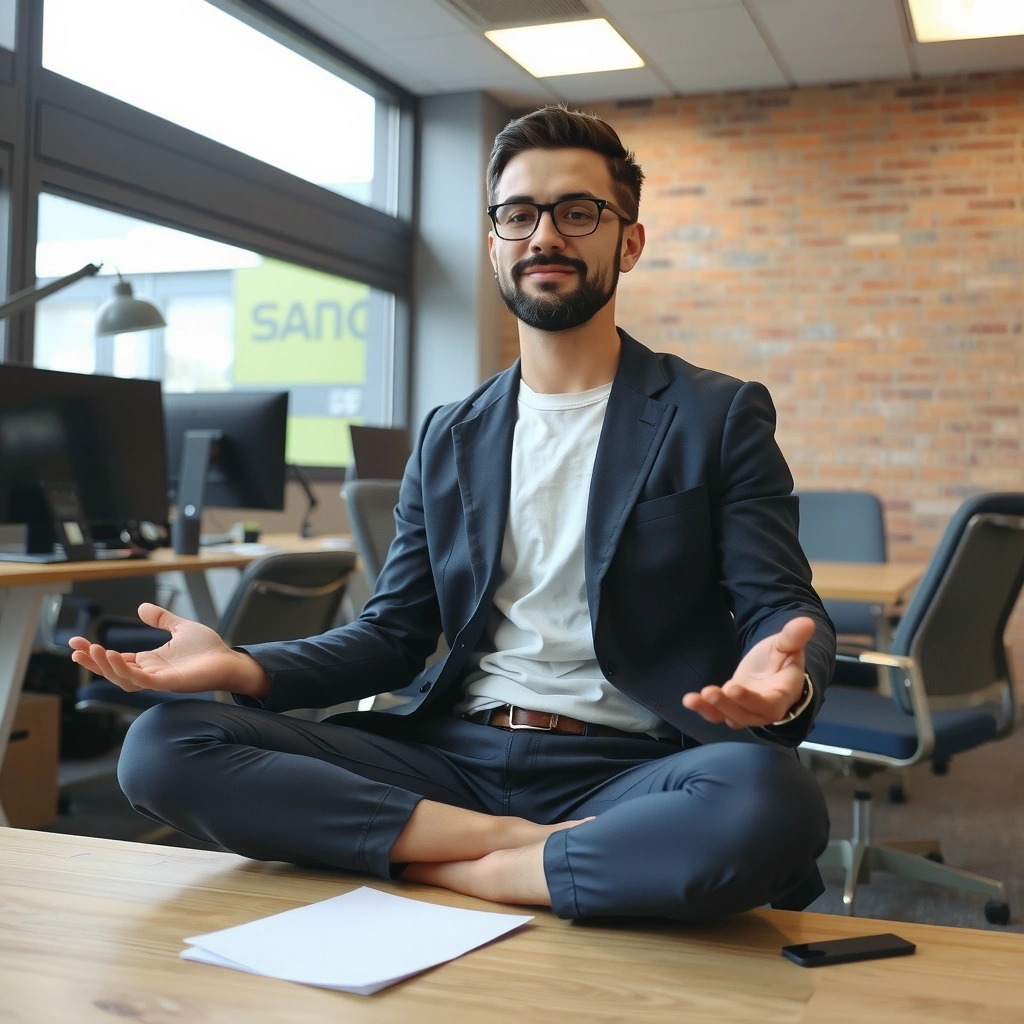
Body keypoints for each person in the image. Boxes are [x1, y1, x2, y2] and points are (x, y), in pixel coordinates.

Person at [70, 106, 834, 922]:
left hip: (632, 766)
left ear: (630, 243)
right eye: (519, 214)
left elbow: (780, 608)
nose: (546, 235)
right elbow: (393, 635)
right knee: (163, 746)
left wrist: (781, 683)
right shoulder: (450, 434)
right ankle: (525, 851)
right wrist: (243, 668)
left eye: (579, 213)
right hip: (458, 758)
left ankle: (459, 866)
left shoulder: (714, 414)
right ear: (496, 242)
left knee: (772, 798)